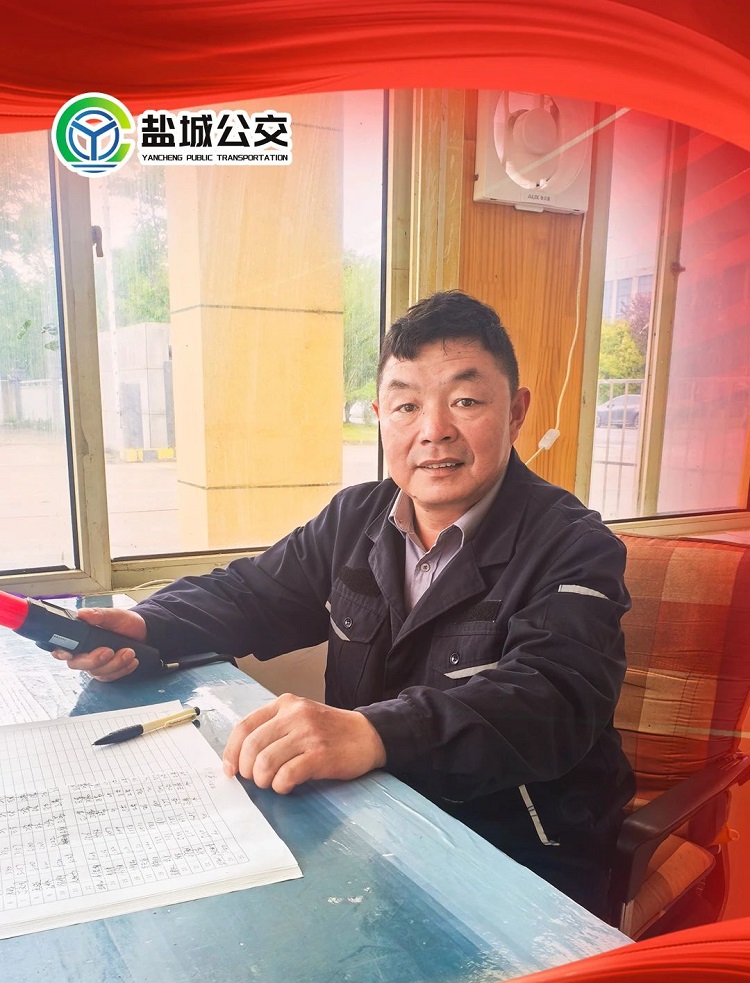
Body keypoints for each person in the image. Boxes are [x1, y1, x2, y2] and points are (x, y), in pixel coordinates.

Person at [58, 290, 634, 918]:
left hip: (520, 855)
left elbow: (553, 697)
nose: (433, 430)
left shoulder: (576, 545)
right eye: (406, 405)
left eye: (466, 401)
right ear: (381, 416)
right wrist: (149, 623)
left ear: (516, 412)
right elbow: (253, 592)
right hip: (375, 825)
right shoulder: (356, 517)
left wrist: (373, 733)